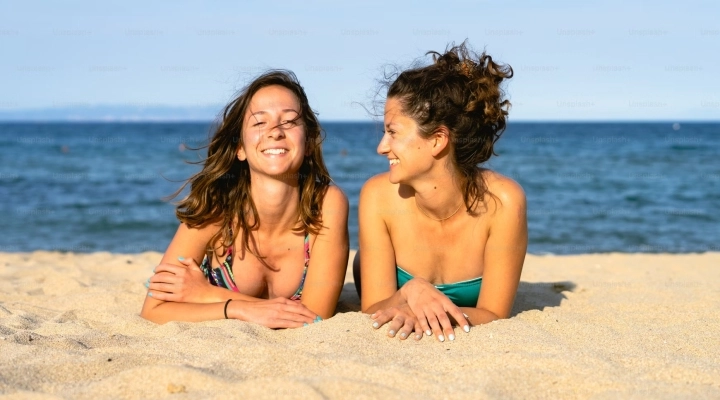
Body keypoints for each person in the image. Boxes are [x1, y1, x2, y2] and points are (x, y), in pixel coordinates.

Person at [141, 70, 349, 328]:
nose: (275, 131)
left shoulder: (327, 203)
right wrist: (238, 309)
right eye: (260, 122)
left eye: (289, 121)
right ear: (240, 148)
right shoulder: (217, 207)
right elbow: (153, 309)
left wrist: (207, 295)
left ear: (307, 143)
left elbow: (315, 315)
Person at [353, 42, 527, 342]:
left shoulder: (504, 202)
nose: (381, 147)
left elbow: (495, 313)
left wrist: (425, 312)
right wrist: (408, 292)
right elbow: (373, 307)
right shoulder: (378, 197)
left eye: (392, 132)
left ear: (437, 140)